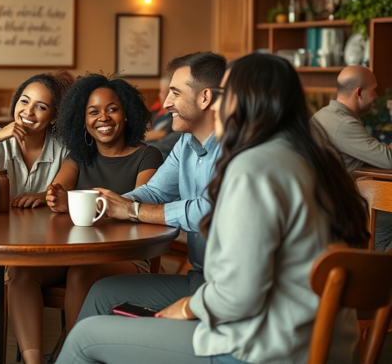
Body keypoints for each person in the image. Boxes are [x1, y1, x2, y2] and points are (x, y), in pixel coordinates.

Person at [59, 53, 368, 364]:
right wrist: (113, 204)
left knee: (86, 338)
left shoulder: (252, 166)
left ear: (244, 100)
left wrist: (187, 308)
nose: (216, 104)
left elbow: (239, 292)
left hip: (263, 343)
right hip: (310, 333)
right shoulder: (306, 155)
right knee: (103, 294)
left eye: (224, 94)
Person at [7, 74, 162, 364]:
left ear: (127, 114)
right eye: (93, 112)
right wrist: (49, 197)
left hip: (126, 256)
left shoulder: (147, 156)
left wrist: (80, 201)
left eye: (112, 109)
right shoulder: (78, 157)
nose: (103, 117)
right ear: (83, 120)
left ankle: (70, 356)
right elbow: (58, 189)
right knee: (21, 271)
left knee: (81, 272)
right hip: (75, 252)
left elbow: (140, 202)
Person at [82, 51, 226, 319]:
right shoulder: (186, 143)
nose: (167, 103)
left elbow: (209, 211)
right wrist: (110, 203)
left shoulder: (234, 148)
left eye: (175, 93)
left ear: (205, 98)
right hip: (201, 280)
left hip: (225, 293)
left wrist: (132, 211)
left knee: (92, 318)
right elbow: (154, 192)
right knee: (100, 292)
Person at [0, 71, 74, 207]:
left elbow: (63, 192)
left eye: (40, 107)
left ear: (55, 117)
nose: (28, 111)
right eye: (24, 101)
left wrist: (42, 196)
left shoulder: (63, 146)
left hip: (45, 226)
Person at [312, 66, 392, 250]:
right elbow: (389, 160)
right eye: (374, 90)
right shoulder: (343, 124)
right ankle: (376, 267)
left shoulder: (325, 115)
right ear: (359, 93)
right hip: (333, 209)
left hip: (322, 204)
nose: (376, 96)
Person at [145, 77, 182, 159]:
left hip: (161, 152)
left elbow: (160, 134)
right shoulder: (159, 111)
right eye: (161, 92)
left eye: (163, 92)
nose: (161, 96)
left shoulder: (175, 115)